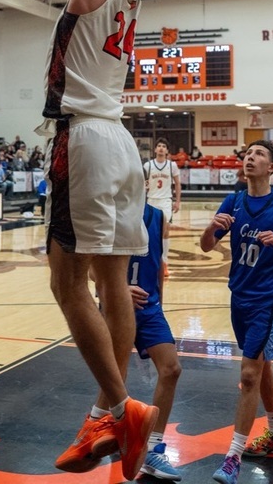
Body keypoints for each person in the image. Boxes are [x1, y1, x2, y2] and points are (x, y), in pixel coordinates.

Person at [37, 0, 168, 482]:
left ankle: (119, 408)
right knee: (112, 283)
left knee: (65, 283)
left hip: (83, 140)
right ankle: (106, 412)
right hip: (121, 144)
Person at [200, 140, 273, 484]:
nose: (250, 158)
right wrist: (210, 229)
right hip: (239, 296)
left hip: (269, 298)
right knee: (261, 365)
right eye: (248, 153)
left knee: (250, 374)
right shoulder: (233, 201)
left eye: (259, 155)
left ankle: (232, 458)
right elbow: (207, 246)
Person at [91, 203, 182, 480]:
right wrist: (116, 290)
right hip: (117, 303)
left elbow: (157, 265)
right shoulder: (109, 212)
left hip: (150, 306)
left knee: (171, 369)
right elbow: (92, 267)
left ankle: (152, 448)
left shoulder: (157, 215)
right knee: (116, 375)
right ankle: (96, 429)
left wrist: (161, 304)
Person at [143, 138, 181, 277]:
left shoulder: (172, 166)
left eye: (163, 146)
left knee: (165, 230)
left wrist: (177, 201)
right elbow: (143, 184)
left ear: (167, 150)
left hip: (165, 200)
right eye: (158, 146)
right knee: (150, 232)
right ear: (155, 149)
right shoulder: (148, 165)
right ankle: (150, 260)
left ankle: (164, 262)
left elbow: (177, 184)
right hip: (151, 200)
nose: (160, 148)